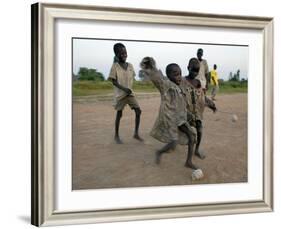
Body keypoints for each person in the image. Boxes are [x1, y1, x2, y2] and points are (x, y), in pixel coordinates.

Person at [140, 57, 198, 170]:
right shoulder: (165, 85)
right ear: (168, 75)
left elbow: (182, 103)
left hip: (181, 118)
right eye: (176, 74)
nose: (179, 77)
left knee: (192, 136)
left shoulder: (180, 87)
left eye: (180, 74)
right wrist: (150, 66)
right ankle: (159, 152)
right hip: (170, 119)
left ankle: (189, 162)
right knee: (173, 143)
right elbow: (157, 78)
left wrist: (189, 115)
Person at [180, 58, 216, 159]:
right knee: (186, 134)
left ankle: (196, 150)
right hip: (185, 112)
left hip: (196, 112)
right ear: (188, 68)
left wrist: (210, 104)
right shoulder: (182, 81)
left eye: (197, 70)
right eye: (193, 70)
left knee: (199, 130)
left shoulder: (198, 82)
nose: (195, 73)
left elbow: (202, 97)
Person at [108, 43, 143, 144]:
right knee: (119, 114)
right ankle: (116, 136)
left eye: (125, 53)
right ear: (117, 54)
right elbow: (114, 81)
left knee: (138, 111)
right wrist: (124, 88)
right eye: (121, 53)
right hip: (121, 95)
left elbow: (133, 77)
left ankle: (136, 134)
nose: (124, 55)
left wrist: (130, 88)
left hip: (130, 94)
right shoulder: (115, 66)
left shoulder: (130, 65)